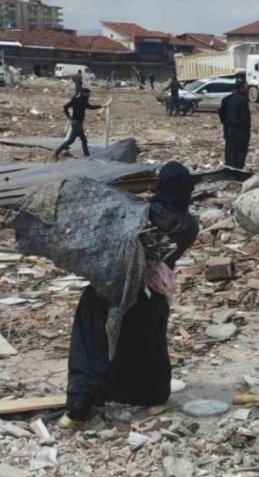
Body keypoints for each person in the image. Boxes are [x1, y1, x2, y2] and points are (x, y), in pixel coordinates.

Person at [62, 162, 199, 426]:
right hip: (150, 293)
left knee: (91, 337)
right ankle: (146, 393)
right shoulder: (188, 226)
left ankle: (82, 395)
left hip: (109, 285)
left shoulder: (137, 213)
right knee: (146, 345)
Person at [54, 89, 104, 160]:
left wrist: (100, 106)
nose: (89, 95)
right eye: (89, 94)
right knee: (71, 140)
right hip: (77, 123)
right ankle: (57, 152)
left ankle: (87, 154)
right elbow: (89, 107)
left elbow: (88, 107)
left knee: (84, 139)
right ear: (85, 93)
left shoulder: (78, 99)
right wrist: (69, 117)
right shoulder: (82, 100)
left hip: (77, 122)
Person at [218, 76, 251, 169]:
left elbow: (221, 113)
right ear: (241, 88)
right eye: (246, 87)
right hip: (240, 132)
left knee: (229, 152)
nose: (247, 90)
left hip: (229, 131)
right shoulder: (243, 100)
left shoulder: (226, 99)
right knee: (240, 153)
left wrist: (226, 124)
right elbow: (245, 118)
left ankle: (229, 171)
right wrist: (247, 132)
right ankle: (238, 172)